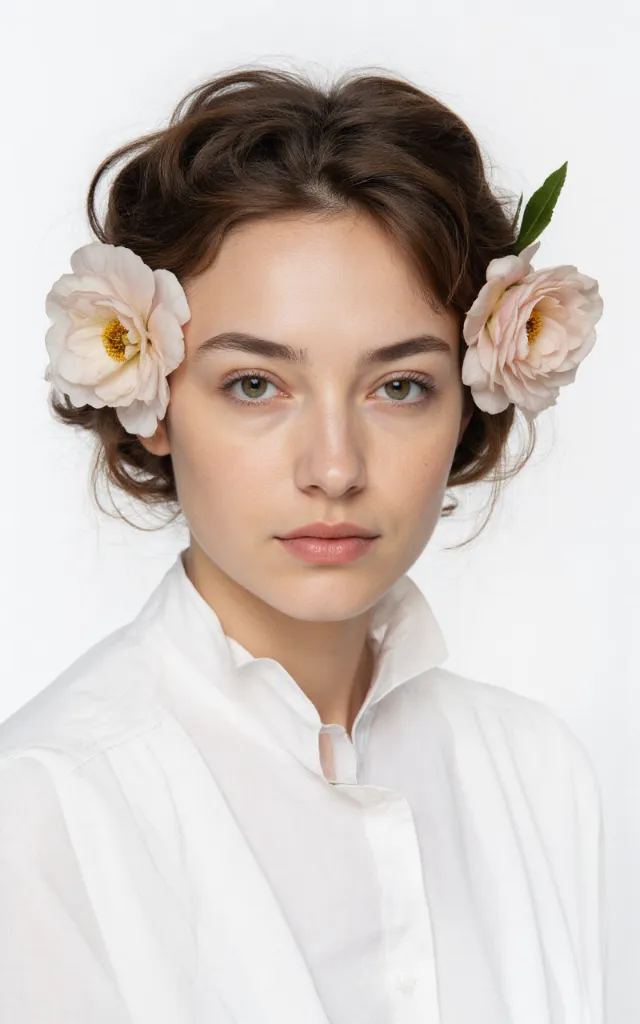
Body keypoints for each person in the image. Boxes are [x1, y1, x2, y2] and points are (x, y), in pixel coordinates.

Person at [0, 65, 606, 1023]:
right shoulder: (40, 814)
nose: (334, 468)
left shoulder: (536, 773)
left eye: (399, 385)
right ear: (150, 401)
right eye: (254, 385)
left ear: (471, 399)